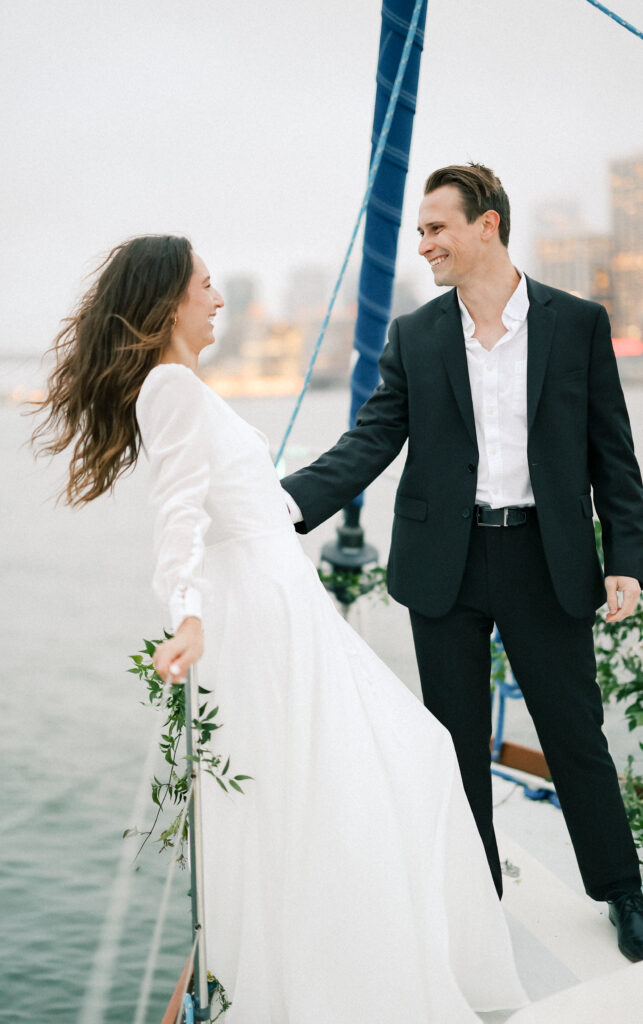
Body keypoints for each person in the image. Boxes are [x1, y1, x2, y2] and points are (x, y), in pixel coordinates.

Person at [33, 234, 527, 1022]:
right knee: (376, 771)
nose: (218, 297)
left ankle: (352, 974)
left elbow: (237, 495)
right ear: (168, 300)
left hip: (282, 602)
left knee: (365, 775)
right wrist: (187, 613)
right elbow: (178, 516)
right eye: (205, 284)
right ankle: (342, 985)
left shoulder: (182, 385)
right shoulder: (171, 387)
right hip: (262, 612)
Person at [281, 163, 643, 963]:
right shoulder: (415, 334)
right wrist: (285, 504)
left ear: (488, 226)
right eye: (418, 231)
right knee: (453, 741)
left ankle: (621, 889)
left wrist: (625, 558)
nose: (423, 244)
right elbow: (371, 439)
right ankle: (476, 900)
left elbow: (611, 456)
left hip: (545, 559)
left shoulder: (577, 323)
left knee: (573, 734)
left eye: (436, 228)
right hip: (444, 561)